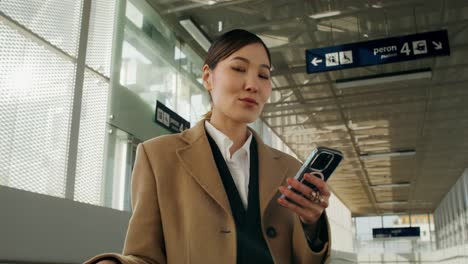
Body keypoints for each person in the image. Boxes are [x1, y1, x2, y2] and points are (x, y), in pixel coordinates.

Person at [86, 29, 331, 264]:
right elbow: (145, 255)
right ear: (207, 77)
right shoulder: (158, 157)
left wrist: (312, 225)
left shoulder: (289, 169)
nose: (253, 85)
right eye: (238, 68)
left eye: (263, 75)